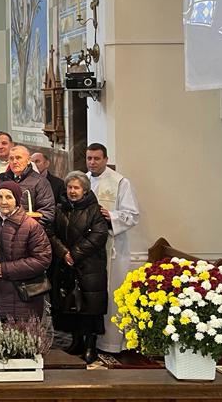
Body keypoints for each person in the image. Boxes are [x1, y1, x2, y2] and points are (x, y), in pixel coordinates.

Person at [47, 171, 109, 364]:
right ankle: (76, 342)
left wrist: (75, 254)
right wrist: (64, 253)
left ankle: (90, 345)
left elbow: (99, 235)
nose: (72, 191)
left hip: (89, 266)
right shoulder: (60, 208)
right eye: (69, 187)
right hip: (66, 266)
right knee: (70, 307)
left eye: (76, 188)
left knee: (90, 308)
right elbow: (50, 233)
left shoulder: (95, 210)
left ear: (85, 190)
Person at [85, 143, 140, 354]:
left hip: (112, 247)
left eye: (97, 158)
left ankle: (110, 342)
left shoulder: (120, 182)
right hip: (88, 247)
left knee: (111, 293)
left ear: (106, 159)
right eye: (89, 158)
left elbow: (132, 215)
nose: (92, 162)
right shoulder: (83, 179)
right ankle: (88, 339)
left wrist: (111, 215)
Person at [0, 181, 52, 320]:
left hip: (21, 297)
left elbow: (42, 259)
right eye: (0, 197)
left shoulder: (31, 226)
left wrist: (3, 269)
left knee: (19, 339)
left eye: (9, 197)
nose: (3, 201)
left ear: (17, 199)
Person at [0, 145, 55, 225]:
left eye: (18, 158)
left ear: (28, 160)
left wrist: (28, 230)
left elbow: (47, 213)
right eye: (11, 158)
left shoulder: (40, 182)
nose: (14, 161)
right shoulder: (1, 179)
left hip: (28, 231)